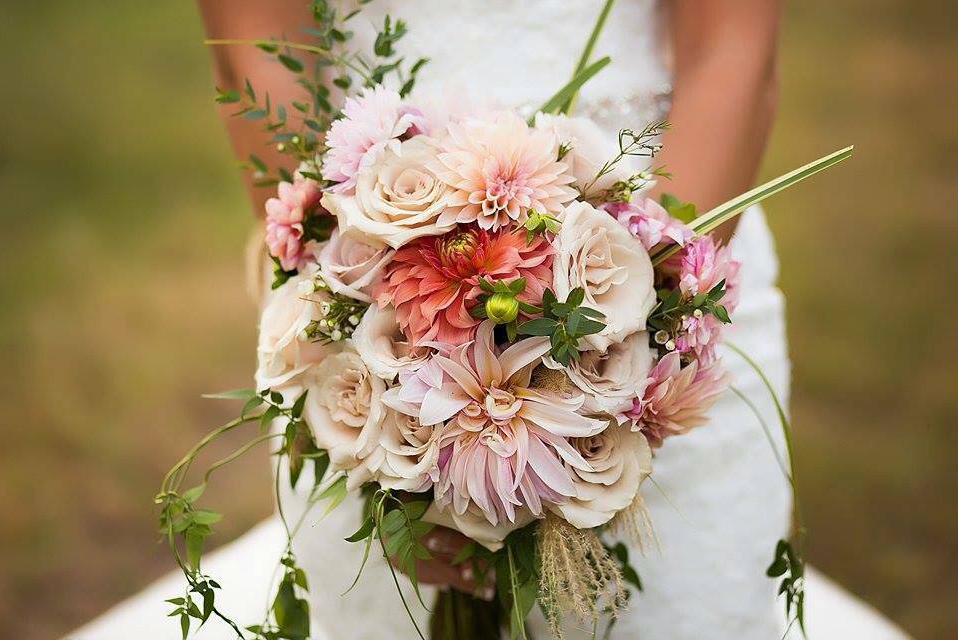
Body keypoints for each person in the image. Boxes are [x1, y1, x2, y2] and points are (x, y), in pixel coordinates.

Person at [70, 1, 909, 638]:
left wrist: (636, 326)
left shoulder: (642, 308)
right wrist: (367, 343)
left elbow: (734, 45)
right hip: (371, 267)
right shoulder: (368, 321)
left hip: (656, 247)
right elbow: (257, 51)